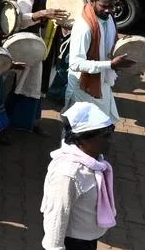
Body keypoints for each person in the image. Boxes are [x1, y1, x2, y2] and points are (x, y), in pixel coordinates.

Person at [40, 102, 118, 250]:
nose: (110, 140)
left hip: (87, 240)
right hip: (73, 243)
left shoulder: (94, 162)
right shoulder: (68, 174)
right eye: (105, 135)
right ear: (83, 138)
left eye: (111, 132)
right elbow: (56, 216)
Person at [11, 0, 72, 130]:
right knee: (25, 82)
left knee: (42, 83)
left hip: (50, 44)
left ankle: (34, 122)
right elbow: (19, 20)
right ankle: (17, 123)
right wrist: (43, 14)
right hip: (30, 44)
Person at [65, 0, 131, 123]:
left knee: (101, 125)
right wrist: (110, 64)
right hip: (82, 85)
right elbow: (75, 64)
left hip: (102, 81)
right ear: (93, 2)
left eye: (112, 6)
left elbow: (109, 45)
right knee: (80, 128)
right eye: (104, 6)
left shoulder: (109, 18)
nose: (108, 10)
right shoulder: (84, 27)